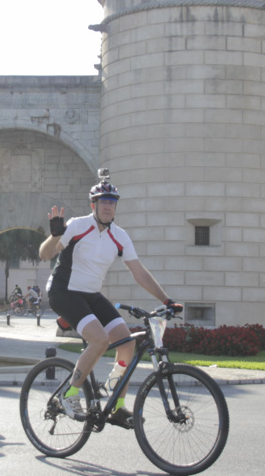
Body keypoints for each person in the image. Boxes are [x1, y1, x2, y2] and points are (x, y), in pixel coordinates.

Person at [39, 168, 182, 428]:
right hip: (64, 292)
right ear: (93, 204)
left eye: (112, 202)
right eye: (103, 202)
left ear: (116, 207)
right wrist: (56, 235)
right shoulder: (77, 226)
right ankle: (70, 395)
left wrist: (166, 300)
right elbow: (44, 254)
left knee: (126, 342)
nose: (108, 206)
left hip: (91, 295)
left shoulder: (120, 236)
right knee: (100, 339)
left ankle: (116, 404)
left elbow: (139, 272)